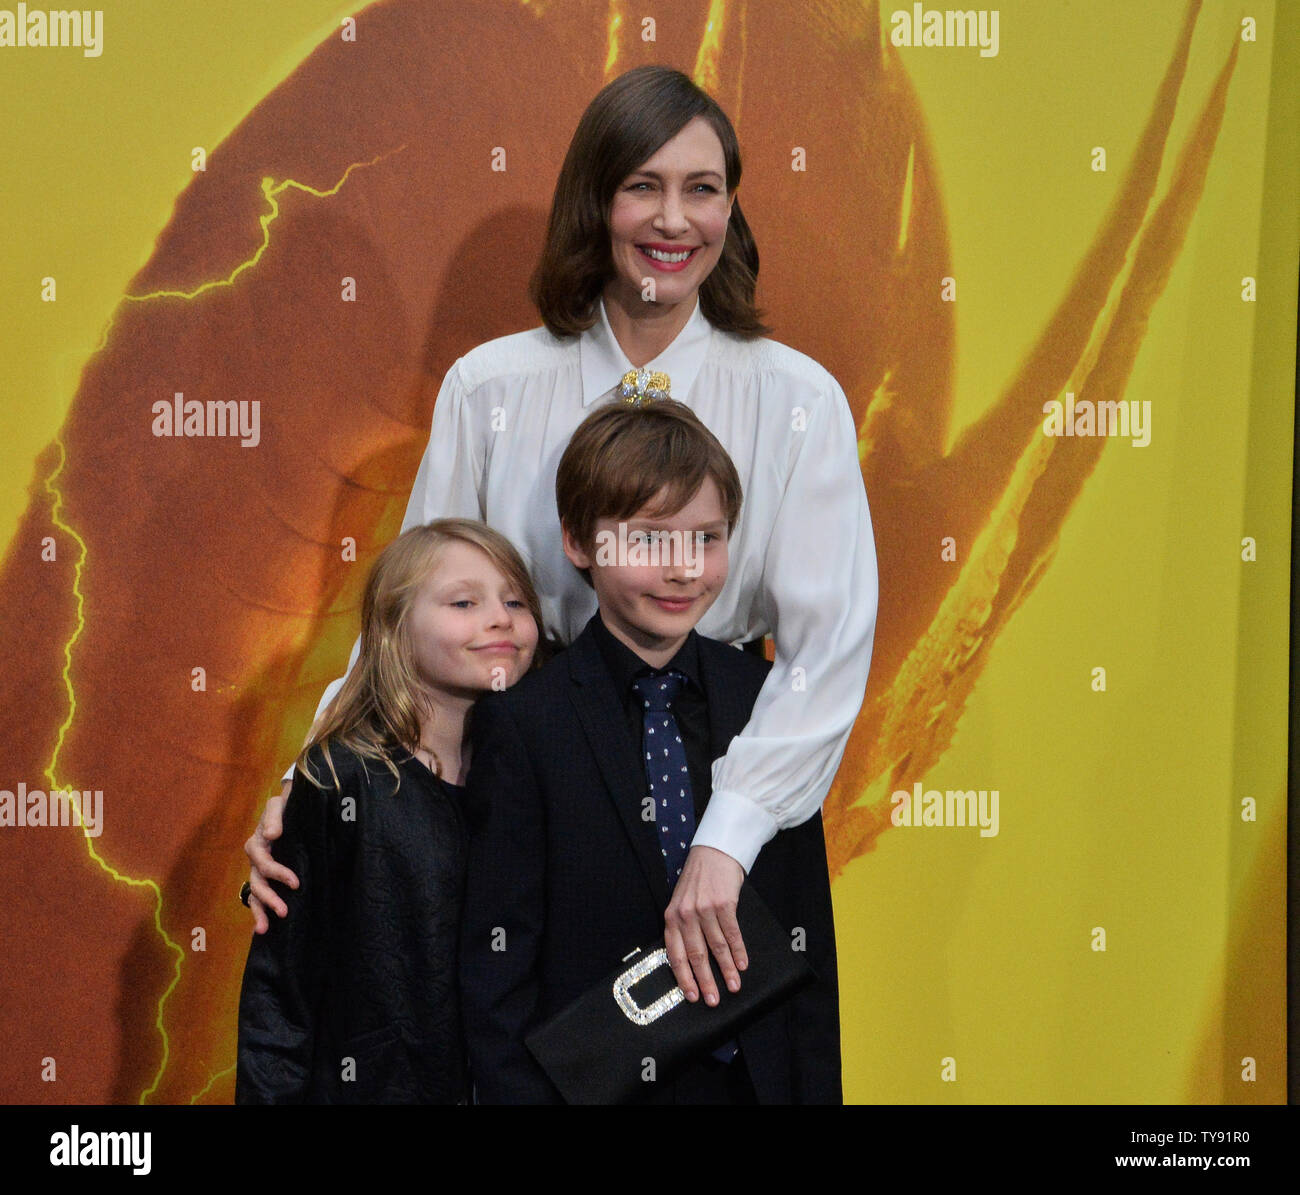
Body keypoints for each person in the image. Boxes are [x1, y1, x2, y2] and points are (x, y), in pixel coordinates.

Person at [245, 63, 877, 1009]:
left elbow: (829, 653)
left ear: (731, 209)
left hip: (727, 786)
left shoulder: (798, 398)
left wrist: (729, 832)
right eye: (643, 187)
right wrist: (310, 784)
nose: (674, 221)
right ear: (595, 200)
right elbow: (408, 614)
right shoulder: (489, 389)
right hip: (524, 789)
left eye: (702, 190)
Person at [461, 399, 841, 1103]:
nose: (683, 570)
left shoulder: (773, 705)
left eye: (707, 538)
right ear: (579, 542)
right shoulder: (525, 723)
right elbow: (497, 972)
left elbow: (805, 939)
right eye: (648, 541)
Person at [235, 519, 541, 1103]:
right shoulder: (341, 777)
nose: (500, 617)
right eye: (463, 602)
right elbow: (281, 995)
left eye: (515, 600)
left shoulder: (536, 775)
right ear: (394, 628)